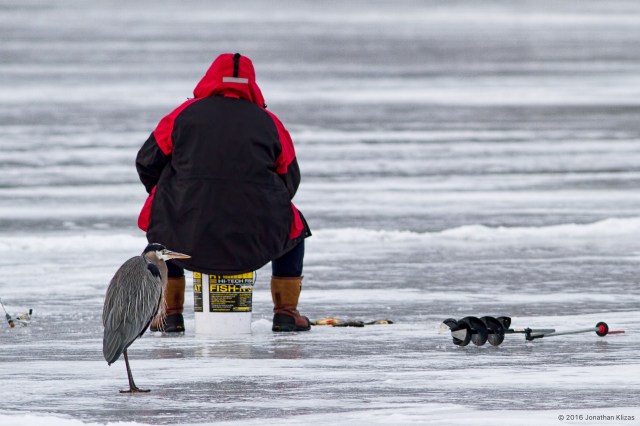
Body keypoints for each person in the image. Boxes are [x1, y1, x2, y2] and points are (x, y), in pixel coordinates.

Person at [135, 53, 312, 333]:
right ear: (252, 85)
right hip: (254, 236)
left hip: (186, 232)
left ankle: (169, 313)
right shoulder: (270, 122)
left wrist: (173, 195)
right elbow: (290, 178)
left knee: (161, 229)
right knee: (295, 228)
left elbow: (147, 161)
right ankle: (286, 312)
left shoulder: (182, 115)